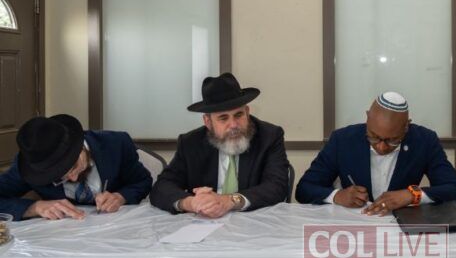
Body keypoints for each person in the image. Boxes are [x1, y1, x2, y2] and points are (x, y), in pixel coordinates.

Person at [295, 91, 456, 216]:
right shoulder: (342, 140)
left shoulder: (424, 140)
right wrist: (337, 196)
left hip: (402, 231)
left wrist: (412, 195)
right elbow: (304, 189)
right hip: (354, 229)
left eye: (393, 140)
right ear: (367, 118)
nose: (382, 147)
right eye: (374, 137)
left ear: (406, 126)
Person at [150, 73, 290, 217]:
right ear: (208, 122)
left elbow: (277, 186)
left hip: (254, 221)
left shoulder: (269, 136)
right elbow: (162, 186)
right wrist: (190, 203)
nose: (233, 125)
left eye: (238, 115)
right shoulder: (190, 143)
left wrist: (230, 200)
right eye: (223, 118)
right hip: (203, 222)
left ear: (247, 112)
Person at [0, 114, 152, 221]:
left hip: (117, 232)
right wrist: (34, 207)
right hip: (60, 241)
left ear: (80, 147)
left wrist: (121, 196)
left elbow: (143, 181)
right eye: (59, 176)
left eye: (74, 166)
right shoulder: (31, 167)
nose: (73, 178)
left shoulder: (116, 144)